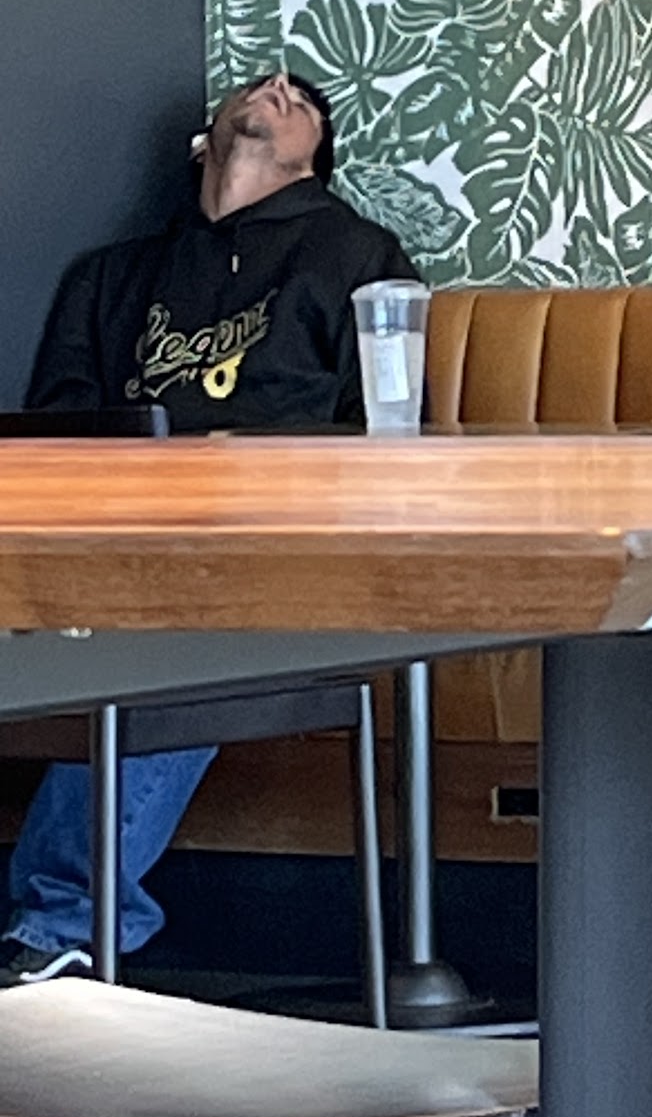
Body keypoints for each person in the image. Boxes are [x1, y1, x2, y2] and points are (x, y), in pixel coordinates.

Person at [1, 72, 418, 985]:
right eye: (260, 85)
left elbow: (382, 440)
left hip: (279, 560)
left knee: (173, 634)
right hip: (112, 551)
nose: (278, 85)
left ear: (316, 161)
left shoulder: (359, 256)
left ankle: (60, 920)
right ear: (205, 142)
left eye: (304, 102)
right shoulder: (110, 277)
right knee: (142, 615)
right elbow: (50, 442)